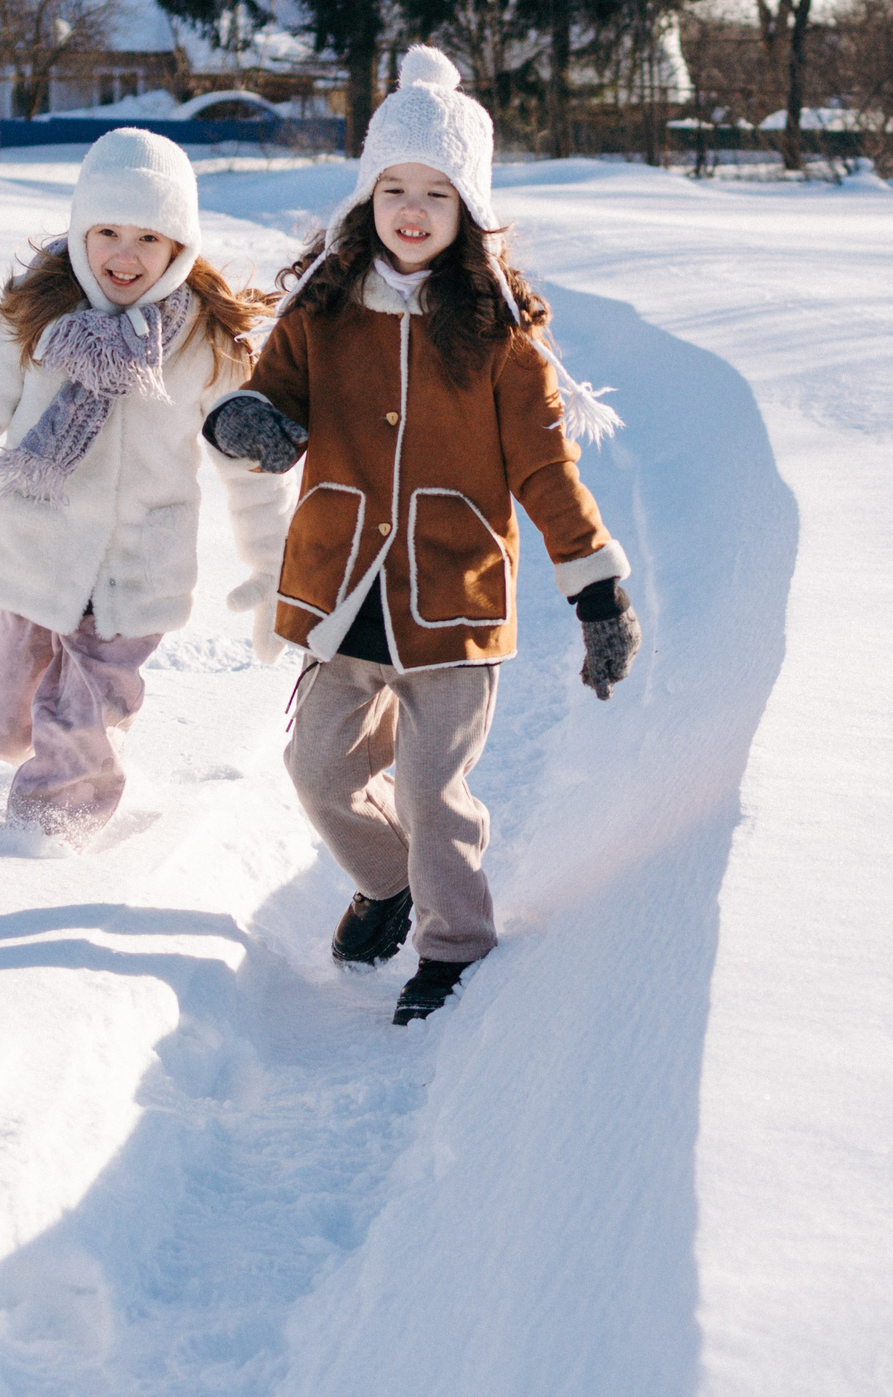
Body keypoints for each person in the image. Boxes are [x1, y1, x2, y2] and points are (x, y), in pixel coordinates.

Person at [205, 46, 644, 1026]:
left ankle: (455, 944)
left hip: (452, 598)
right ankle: (388, 883)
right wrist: (255, 422)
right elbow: (275, 396)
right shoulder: (323, 307)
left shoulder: (499, 335)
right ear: (365, 198)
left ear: (468, 212)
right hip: (342, 586)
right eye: (391, 187)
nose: (410, 209)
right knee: (316, 770)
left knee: (431, 789)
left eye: (434, 193)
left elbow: (544, 471)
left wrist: (596, 590)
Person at [0, 128, 292, 844]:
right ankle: (48, 737)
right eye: (107, 231)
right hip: (23, 561)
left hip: (132, 580)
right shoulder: (36, 318)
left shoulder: (206, 342)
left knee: (77, 731)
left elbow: (248, 465)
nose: (124, 255)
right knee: (12, 725)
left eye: (149, 237)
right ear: (81, 232)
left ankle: (47, 845)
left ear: (180, 248)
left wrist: (272, 562)